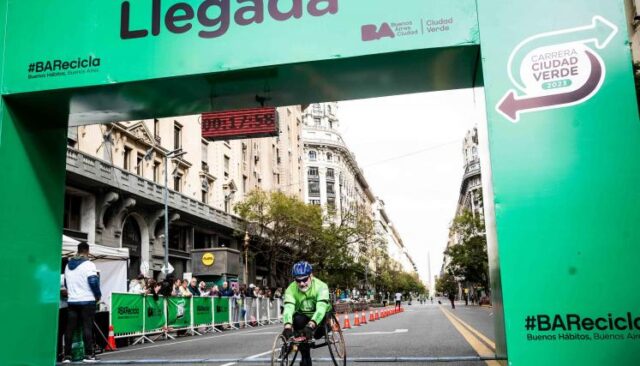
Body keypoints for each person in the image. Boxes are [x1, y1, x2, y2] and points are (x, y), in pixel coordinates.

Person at [281, 261, 331, 366]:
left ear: (311, 276)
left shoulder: (321, 286)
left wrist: (311, 325)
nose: (302, 283)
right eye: (298, 281)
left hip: (321, 315)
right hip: (303, 315)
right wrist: (287, 326)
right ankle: (305, 356)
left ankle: (321, 328)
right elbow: (289, 308)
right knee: (298, 322)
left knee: (317, 334)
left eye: (304, 279)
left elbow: (321, 308)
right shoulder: (290, 289)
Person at [63, 242, 102, 363]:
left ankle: (67, 356)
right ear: (87, 251)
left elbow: (65, 283)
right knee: (87, 327)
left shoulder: (68, 265)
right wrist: (97, 295)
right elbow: (93, 281)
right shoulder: (89, 264)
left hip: (72, 301)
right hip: (87, 300)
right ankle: (88, 355)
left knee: (69, 328)